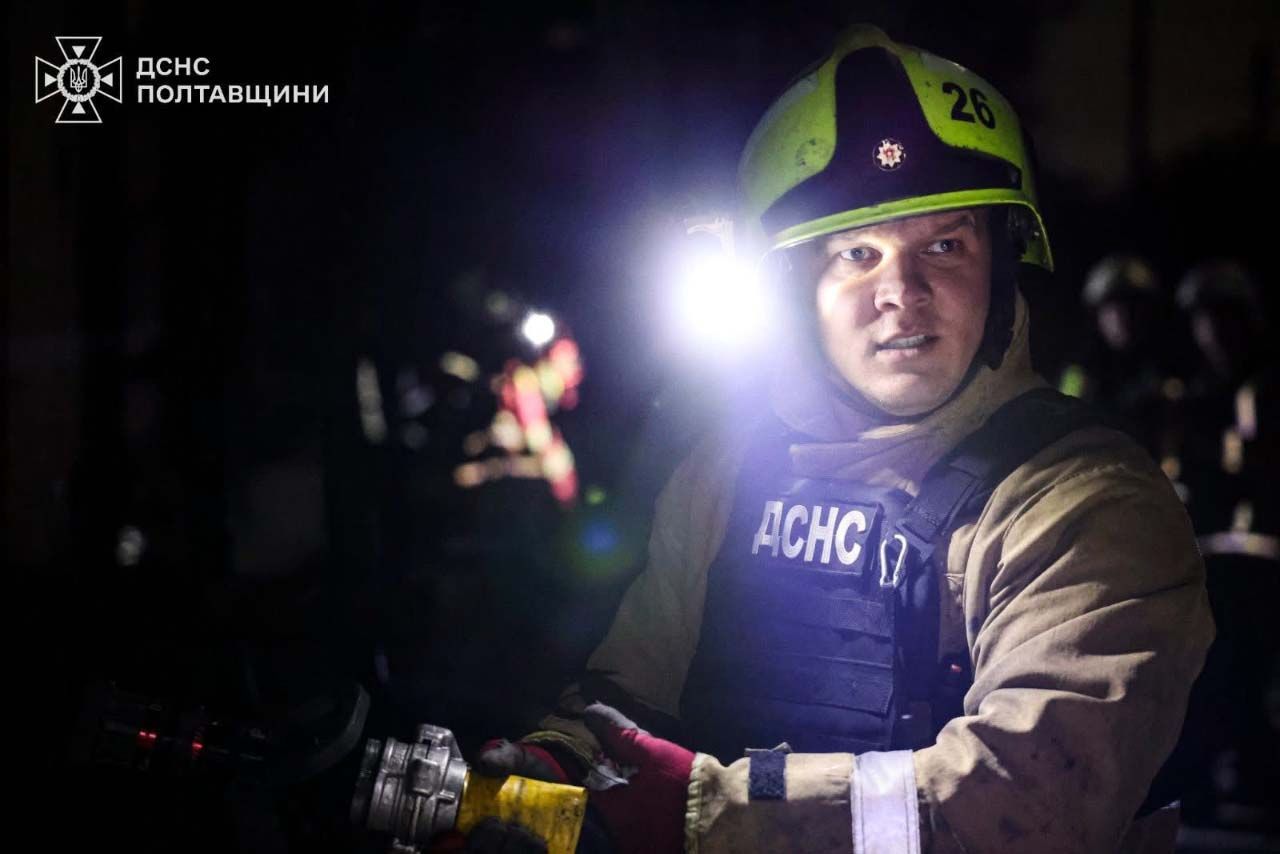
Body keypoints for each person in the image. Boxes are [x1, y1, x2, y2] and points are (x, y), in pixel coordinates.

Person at [476, 25, 1214, 853]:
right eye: (856, 253)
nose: (902, 292)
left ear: (1003, 269)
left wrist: (707, 811)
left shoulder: (1090, 501)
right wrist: (555, 765)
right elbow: (627, 696)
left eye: (945, 244)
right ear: (794, 289)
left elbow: (1022, 802)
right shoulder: (727, 468)